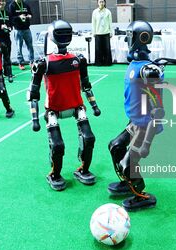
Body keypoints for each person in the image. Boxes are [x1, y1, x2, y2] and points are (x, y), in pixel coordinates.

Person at [27, 20, 101, 191]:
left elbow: (86, 85)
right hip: (53, 109)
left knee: (89, 138)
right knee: (57, 144)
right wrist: (35, 119)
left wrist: (94, 105)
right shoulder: (43, 63)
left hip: (77, 105)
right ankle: (55, 173)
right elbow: (34, 93)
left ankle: (83, 169)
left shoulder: (78, 60)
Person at [107, 20, 167, 211]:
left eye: (130, 36)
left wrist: (147, 143)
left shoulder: (148, 71)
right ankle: (128, 182)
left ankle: (142, 195)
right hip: (135, 121)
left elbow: (158, 110)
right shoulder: (137, 64)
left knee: (128, 163)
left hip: (145, 125)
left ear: (139, 38)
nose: (127, 40)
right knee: (115, 146)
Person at [9, 0, 34, 70]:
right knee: (19, 48)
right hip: (18, 29)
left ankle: (32, 62)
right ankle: (21, 63)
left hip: (27, 29)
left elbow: (30, 13)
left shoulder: (25, 4)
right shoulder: (12, 5)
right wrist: (19, 17)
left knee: (30, 46)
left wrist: (29, 16)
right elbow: (11, 18)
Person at [92, 0, 112, 66]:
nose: (101, 3)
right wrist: (93, 32)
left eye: (103, 2)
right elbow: (93, 23)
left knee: (107, 49)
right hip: (98, 33)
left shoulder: (108, 12)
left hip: (106, 33)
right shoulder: (94, 12)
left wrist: (111, 32)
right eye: (100, 2)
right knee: (98, 49)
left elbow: (110, 23)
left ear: (105, 3)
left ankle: (107, 63)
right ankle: (98, 63)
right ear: (97, 3)